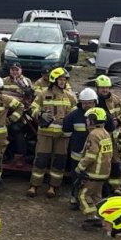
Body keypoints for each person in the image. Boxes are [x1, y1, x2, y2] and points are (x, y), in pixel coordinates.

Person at [28, 67, 74, 198]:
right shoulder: (43, 94)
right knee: (41, 160)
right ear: (54, 80)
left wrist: (69, 120)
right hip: (45, 134)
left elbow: (75, 113)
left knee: (59, 162)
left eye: (64, 79)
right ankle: (34, 185)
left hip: (62, 136)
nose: (62, 82)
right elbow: (33, 109)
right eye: (60, 79)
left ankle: (53, 186)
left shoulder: (70, 96)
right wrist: (40, 114)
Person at [74, 108, 113, 231]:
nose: (86, 122)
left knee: (83, 195)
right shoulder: (105, 133)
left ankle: (92, 218)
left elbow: (91, 155)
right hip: (104, 172)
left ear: (92, 120)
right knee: (96, 196)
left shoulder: (93, 134)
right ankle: (104, 217)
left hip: (94, 172)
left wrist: (80, 167)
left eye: (88, 119)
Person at [91, 75, 121, 193]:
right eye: (102, 87)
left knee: (115, 161)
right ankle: (98, 186)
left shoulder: (116, 100)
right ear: (97, 88)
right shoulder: (92, 99)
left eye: (107, 87)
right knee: (96, 160)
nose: (105, 90)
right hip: (95, 136)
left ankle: (116, 187)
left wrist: (119, 120)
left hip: (112, 137)